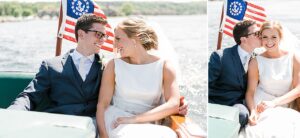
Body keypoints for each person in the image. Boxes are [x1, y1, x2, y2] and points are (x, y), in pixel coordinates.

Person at [96, 17, 180, 138]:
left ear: (135, 39)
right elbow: (102, 105)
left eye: (118, 39)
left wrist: (133, 119)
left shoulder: (164, 67)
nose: (114, 44)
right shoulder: (113, 65)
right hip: (116, 120)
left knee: (169, 135)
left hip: (148, 122)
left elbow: (173, 104)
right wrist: (103, 134)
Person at [240, 21, 300, 138]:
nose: (269, 41)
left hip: (284, 103)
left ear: (280, 37)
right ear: (261, 39)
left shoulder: (293, 58)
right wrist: (252, 111)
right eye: (265, 37)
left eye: (273, 37)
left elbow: (298, 89)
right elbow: (250, 92)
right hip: (261, 105)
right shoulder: (256, 61)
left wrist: (274, 103)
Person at [209, 20, 261, 128]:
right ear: (243, 39)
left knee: (242, 114)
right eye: (256, 33)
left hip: (240, 104)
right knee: (241, 115)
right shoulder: (220, 57)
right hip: (219, 104)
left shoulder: (259, 58)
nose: (260, 35)